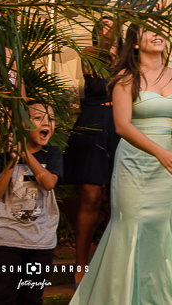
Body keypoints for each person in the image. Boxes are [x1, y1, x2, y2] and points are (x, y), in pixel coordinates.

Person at [71, 23, 172, 305]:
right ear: (133, 43)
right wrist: (160, 153)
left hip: (166, 164)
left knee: (159, 225)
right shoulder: (125, 78)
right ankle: (121, 296)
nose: (158, 34)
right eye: (149, 30)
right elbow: (122, 126)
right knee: (129, 225)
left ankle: (159, 295)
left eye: (161, 30)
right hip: (135, 162)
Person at [62, 17, 121, 285]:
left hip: (121, 128)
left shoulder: (128, 58)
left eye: (111, 26)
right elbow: (88, 85)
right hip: (93, 124)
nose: (106, 30)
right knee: (92, 199)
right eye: (102, 27)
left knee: (118, 202)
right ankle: (80, 265)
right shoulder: (89, 56)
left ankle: (110, 265)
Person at [0, 101, 63, 305]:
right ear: (21, 125)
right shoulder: (3, 156)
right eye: (38, 118)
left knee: (31, 297)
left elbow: (48, 183)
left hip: (41, 242)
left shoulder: (52, 153)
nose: (47, 123)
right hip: (7, 241)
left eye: (51, 119)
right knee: (0, 296)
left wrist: (25, 154)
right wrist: (12, 161)